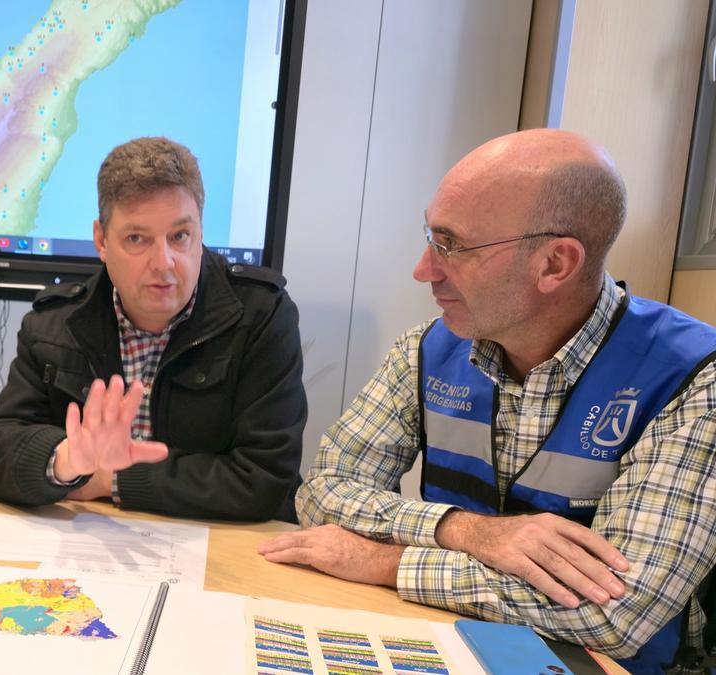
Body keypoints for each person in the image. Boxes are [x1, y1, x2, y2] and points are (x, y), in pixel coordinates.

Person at [258, 128, 716, 672]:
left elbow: (614, 613)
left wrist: (383, 561)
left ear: (555, 264)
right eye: (431, 236)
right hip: (437, 644)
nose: (424, 269)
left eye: (452, 245)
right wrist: (464, 530)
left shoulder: (693, 378)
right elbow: (324, 494)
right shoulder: (427, 350)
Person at [0, 137, 305, 521]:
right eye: (137, 239)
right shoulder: (55, 324)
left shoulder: (260, 316)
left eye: (179, 236)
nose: (164, 262)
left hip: (221, 544)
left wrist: (114, 478)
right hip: (94, 541)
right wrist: (66, 459)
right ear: (101, 240)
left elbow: (266, 480)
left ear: (200, 233)